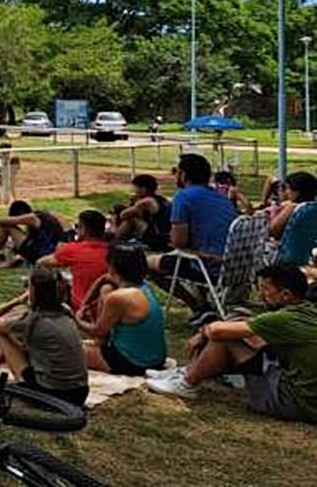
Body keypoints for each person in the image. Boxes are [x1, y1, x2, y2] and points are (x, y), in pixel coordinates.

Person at [147, 263, 317, 424]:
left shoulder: (284, 319)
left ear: (285, 295)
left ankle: (187, 383)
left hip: (299, 403)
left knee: (224, 339)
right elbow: (254, 332)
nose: (261, 296)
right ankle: (190, 370)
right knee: (237, 325)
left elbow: (217, 332)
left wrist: (203, 331)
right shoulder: (307, 312)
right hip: (307, 396)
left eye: (265, 289)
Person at [0, 268, 89, 407]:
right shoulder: (65, 310)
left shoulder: (32, 322)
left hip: (52, 394)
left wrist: (18, 300)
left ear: (33, 291)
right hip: (79, 392)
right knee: (9, 334)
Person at [147, 154, 237, 314]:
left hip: (208, 266)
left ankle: (197, 306)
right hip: (232, 266)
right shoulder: (221, 196)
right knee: (192, 251)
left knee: (147, 264)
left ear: (184, 174)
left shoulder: (183, 197)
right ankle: (203, 302)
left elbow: (179, 242)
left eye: (176, 171)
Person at [78, 243, 168, 376]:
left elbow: (97, 330)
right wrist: (85, 303)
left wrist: (77, 318)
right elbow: (103, 279)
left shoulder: (118, 298)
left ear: (113, 267)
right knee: (105, 288)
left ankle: (103, 352)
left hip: (133, 363)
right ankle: (101, 347)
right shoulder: (142, 286)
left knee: (69, 352)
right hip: (157, 360)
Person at [37, 209, 110, 314]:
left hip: (80, 308)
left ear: (84, 229)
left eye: (78, 226)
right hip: (106, 308)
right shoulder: (112, 250)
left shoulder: (74, 249)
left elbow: (41, 262)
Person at [0, 201, 66, 270]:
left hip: (41, 254)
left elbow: (1, 221)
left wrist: (14, 219)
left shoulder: (32, 218)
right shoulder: (49, 215)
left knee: (5, 227)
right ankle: (11, 261)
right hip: (54, 253)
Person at [111, 174, 172, 250]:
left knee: (131, 219)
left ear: (143, 189)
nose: (133, 190)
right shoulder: (159, 199)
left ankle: (115, 239)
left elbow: (123, 215)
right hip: (164, 233)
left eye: (135, 188)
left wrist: (116, 217)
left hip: (157, 236)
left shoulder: (147, 201)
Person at [272, 172, 317, 266]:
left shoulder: (293, 208)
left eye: (287, 188)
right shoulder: (312, 208)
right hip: (309, 257)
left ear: (297, 192)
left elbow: (273, 231)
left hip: (289, 259)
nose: (286, 192)